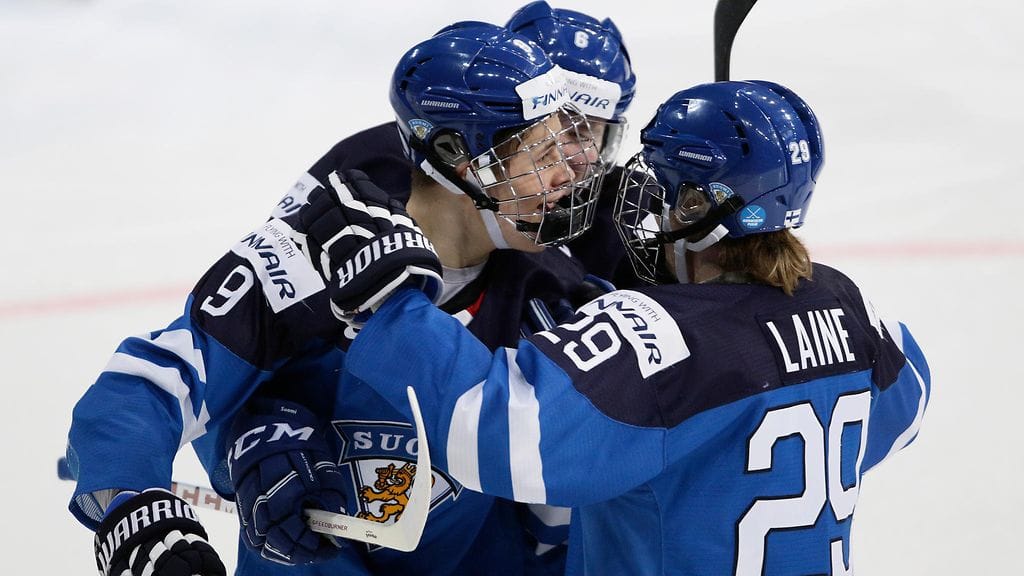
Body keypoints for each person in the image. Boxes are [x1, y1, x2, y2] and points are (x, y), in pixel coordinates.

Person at [66, 12, 634, 576]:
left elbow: (565, 515)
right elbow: (152, 384)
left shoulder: (556, 302)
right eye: (541, 155)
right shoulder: (311, 253)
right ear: (456, 156)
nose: (570, 176)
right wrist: (139, 510)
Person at [297, 80, 932, 575]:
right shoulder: (848, 305)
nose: (640, 203)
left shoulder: (660, 336)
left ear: (698, 208)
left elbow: (496, 436)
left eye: (663, 190)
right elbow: (907, 405)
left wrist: (396, 307)